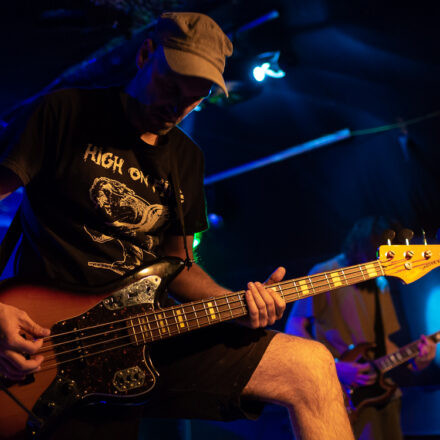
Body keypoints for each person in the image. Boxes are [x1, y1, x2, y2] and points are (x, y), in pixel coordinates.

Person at [0, 12, 355, 440]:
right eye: (170, 85)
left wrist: (239, 306)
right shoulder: (65, 112)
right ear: (146, 54)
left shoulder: (187, 158)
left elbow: (178, 264)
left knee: (311, 365)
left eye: (194, 97)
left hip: (145, 331)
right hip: (54, 342)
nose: (176, 107)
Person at [285, 216, 437, 440]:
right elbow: (294, 326)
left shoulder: (380, 281)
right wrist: (333, 367)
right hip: (343, 396)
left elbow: (383, 340)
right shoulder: (325, 272)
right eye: (375, 254)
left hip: (386, 394)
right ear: (360, 247)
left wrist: (419, 358)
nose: (382, 263)